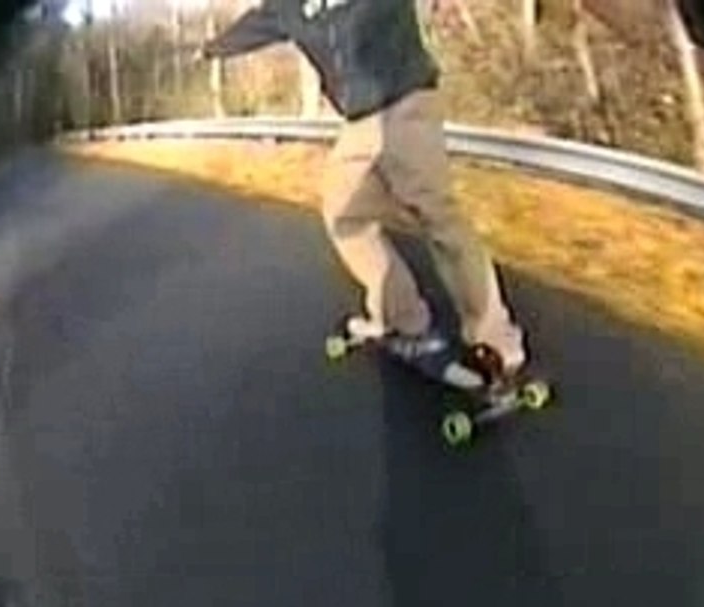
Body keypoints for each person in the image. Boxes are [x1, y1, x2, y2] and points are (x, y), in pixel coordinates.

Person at [197, 0, 528, 386]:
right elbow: (257, 25)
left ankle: (496, 340)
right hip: (360, 122)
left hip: (405, 102)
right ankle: (405, 319)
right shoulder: (288, 6)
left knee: (436, 213)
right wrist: (210, 49)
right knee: (344, 214)